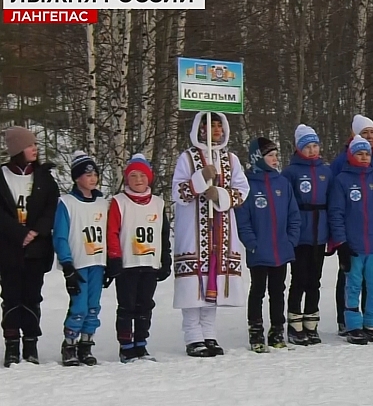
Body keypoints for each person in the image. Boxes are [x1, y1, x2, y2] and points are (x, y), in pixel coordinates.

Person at [171, 112, 250, 357]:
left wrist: (221, 196)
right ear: (200, 129)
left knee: (213, 280)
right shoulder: (187, 157)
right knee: (195, 281)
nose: (216, 130)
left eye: (219, 125)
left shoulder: (231, 159)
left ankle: (209, 333)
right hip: (194, 231)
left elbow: (242, 190)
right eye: (210, 125)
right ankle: (193, 336)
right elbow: (179, 192)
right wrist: (201, 179)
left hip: (221, 230)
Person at [0, 126, 59, 366]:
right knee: (12, 296)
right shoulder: (2, 176)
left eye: (35, 144)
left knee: (32, 296)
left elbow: (51, 207)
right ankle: (12, 345)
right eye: (29, 145)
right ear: (17, 150)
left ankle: (31, 344)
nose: (34, 149)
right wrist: (18, 233)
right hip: (9, 248)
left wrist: (36, 231)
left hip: (36, 248)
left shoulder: (43, 176)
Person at [328, 135, 373, 345]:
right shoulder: (342, 180)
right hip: (354, 246)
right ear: (351, 155)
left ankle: (371, 324)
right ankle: (353, 325)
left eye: (367, 154)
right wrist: (342, 244)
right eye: (360, 153)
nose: (364, 157)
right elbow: (336, 213)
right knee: (353, 286)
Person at [105, 153, 171, 362]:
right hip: (128, 263)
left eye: (142, 176)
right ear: (127, 179)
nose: (138, 180)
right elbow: (112, 231)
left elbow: (163, 233)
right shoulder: (118, 201)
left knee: (145, 305)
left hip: (150, 262)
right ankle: (126, 346)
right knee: (127, 306)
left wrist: (165, 258)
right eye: (133, 176)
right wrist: (114, 258)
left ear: (149, 178)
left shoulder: (158, 204)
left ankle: (141, 344)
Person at [237, 138, 301, 350]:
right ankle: (256, 332)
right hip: (259, 249)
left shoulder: (282, 183)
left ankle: (277, 330)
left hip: (281, 249)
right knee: (257, 290)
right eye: (270, 155)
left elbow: (294, 214)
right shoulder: (247, 184)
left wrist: (291, 239)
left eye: (276, 155)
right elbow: (243, 219)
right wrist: (251, 243)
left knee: (278, 290)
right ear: (259, 158)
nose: (275, 159)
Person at [53, 151, 108, 366]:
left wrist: (111, 261)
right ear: (77, 178)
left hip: (97, 262)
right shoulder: (66, 203)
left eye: (95, 174)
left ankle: (86, 344)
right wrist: (67, 264)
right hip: (78, 263)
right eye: (87, 175)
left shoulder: (103, 202)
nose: (92, 178)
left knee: (94, 306)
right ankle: (69, 344)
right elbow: (60, 235)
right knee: (79, 306)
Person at [282, 124, 331, 345]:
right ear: (298, 148)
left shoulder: (325, 171)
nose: (312, 150)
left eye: (315, 146)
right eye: (307, 147)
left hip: (319, 233)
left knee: (315, 280)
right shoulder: (291, 172)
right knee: (299, 279)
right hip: (299, 233)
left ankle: (311, 322)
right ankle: (294, 323)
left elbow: (332, 202)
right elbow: (285, 204)